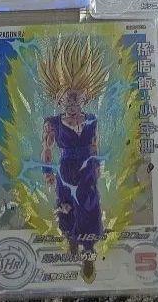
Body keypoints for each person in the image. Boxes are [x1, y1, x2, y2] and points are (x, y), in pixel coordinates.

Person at [39, 36, 110, 284]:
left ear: (84, 98)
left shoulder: (91, 120)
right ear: (58, 99)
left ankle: (88, 251)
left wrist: (97, 165)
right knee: (67, 206)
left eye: (75, 98)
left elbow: (95, 145)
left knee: (90, 207)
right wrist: (47, 171)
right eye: (66, 99)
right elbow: (46, 149)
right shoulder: (53, 123)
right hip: (66, 169)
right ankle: (70, 239)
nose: (71, 104)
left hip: (87, 170)